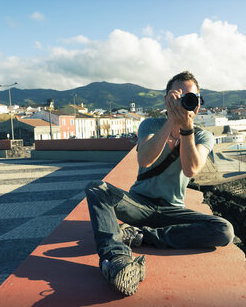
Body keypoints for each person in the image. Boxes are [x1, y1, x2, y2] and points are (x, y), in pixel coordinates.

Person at [85, 71, 235, 296]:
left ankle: (142, 236)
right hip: (138, 204)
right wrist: (170, 122)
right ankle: (116, 259)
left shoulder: (203, 136)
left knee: (224, 230)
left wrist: (186, 128)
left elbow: (191, 168)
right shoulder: (150, 124)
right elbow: (145, 158)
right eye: (178, 96)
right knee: (97, 188)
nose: (185, 101)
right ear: (167, 99)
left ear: (198, 104)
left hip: (172, 210)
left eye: (191, 97)